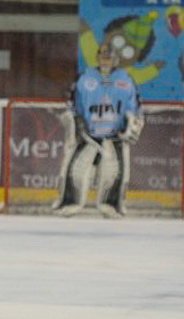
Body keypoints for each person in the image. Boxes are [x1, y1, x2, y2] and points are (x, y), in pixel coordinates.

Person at [53, 42, 143, 218]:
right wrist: (76, 122)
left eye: (109, 55)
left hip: (114, 137)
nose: (105, 58)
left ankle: (111, 205)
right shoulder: (85, 77)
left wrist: (132, 124)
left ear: (116, 58)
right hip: (88, 135)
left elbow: (135, 108)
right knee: (75, 172)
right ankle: (69, 202)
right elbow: (72, 103)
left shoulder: (126, 80)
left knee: (114, 175)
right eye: (102, 55)